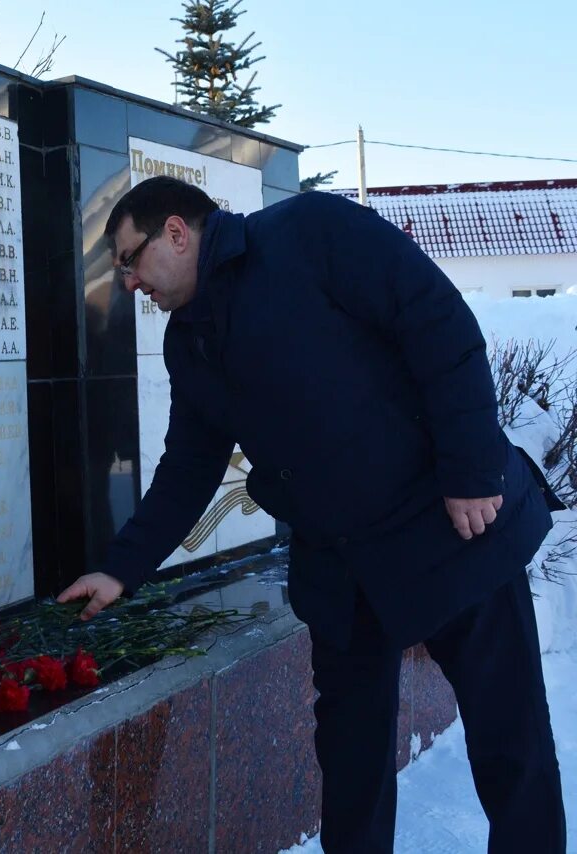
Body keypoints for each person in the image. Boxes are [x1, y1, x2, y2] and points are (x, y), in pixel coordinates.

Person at [57, 176, 567, 852]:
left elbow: (438, 324)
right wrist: (121, 570)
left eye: (129, 259)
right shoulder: (191, 340)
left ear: (176, 232)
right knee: (351, 774)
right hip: (341, 571)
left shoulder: (311, 234)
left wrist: (471, 472)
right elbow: (189, 465)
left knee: (512, 751)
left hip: (448, 532)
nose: (126, 283)